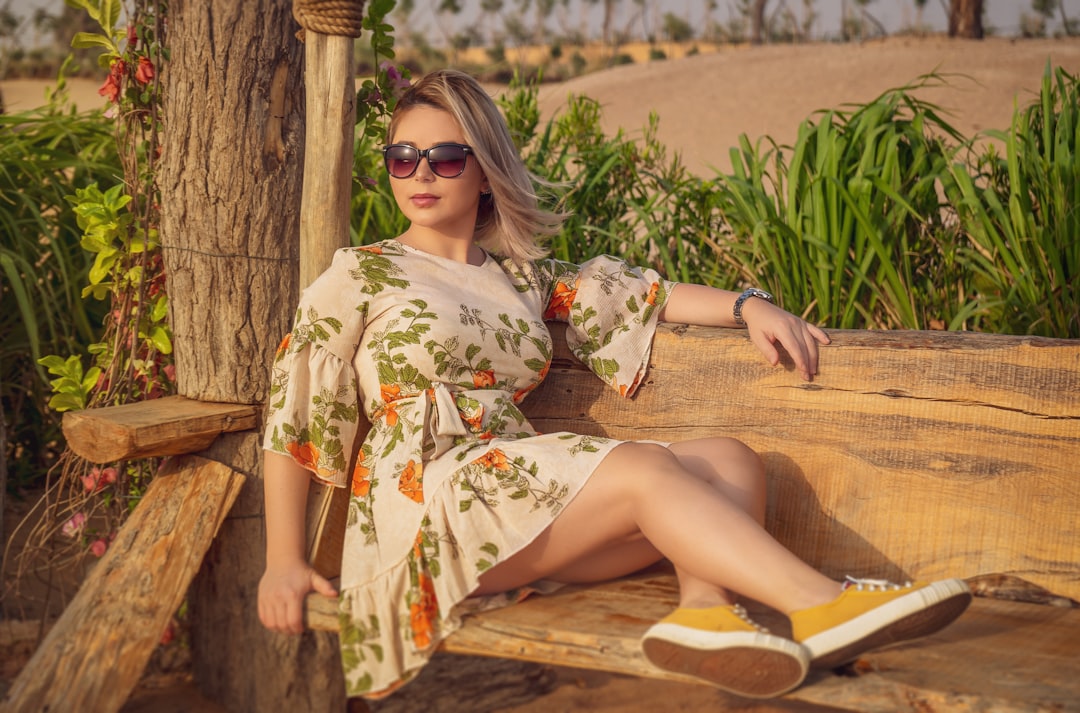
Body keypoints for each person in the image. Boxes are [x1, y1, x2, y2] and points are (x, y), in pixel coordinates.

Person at [257, 68, 971, 700]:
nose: (420, 173)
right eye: (402, 157)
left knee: (730, 458)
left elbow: (631, 295)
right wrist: (282, 561)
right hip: (430, 504)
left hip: (508, 493)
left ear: (483, 172)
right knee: (640, 467)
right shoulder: (359, 273)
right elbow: (291, 417)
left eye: (444, 157)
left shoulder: (518, 278)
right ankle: (823, 604)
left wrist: (747, 304)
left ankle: (705, 612)